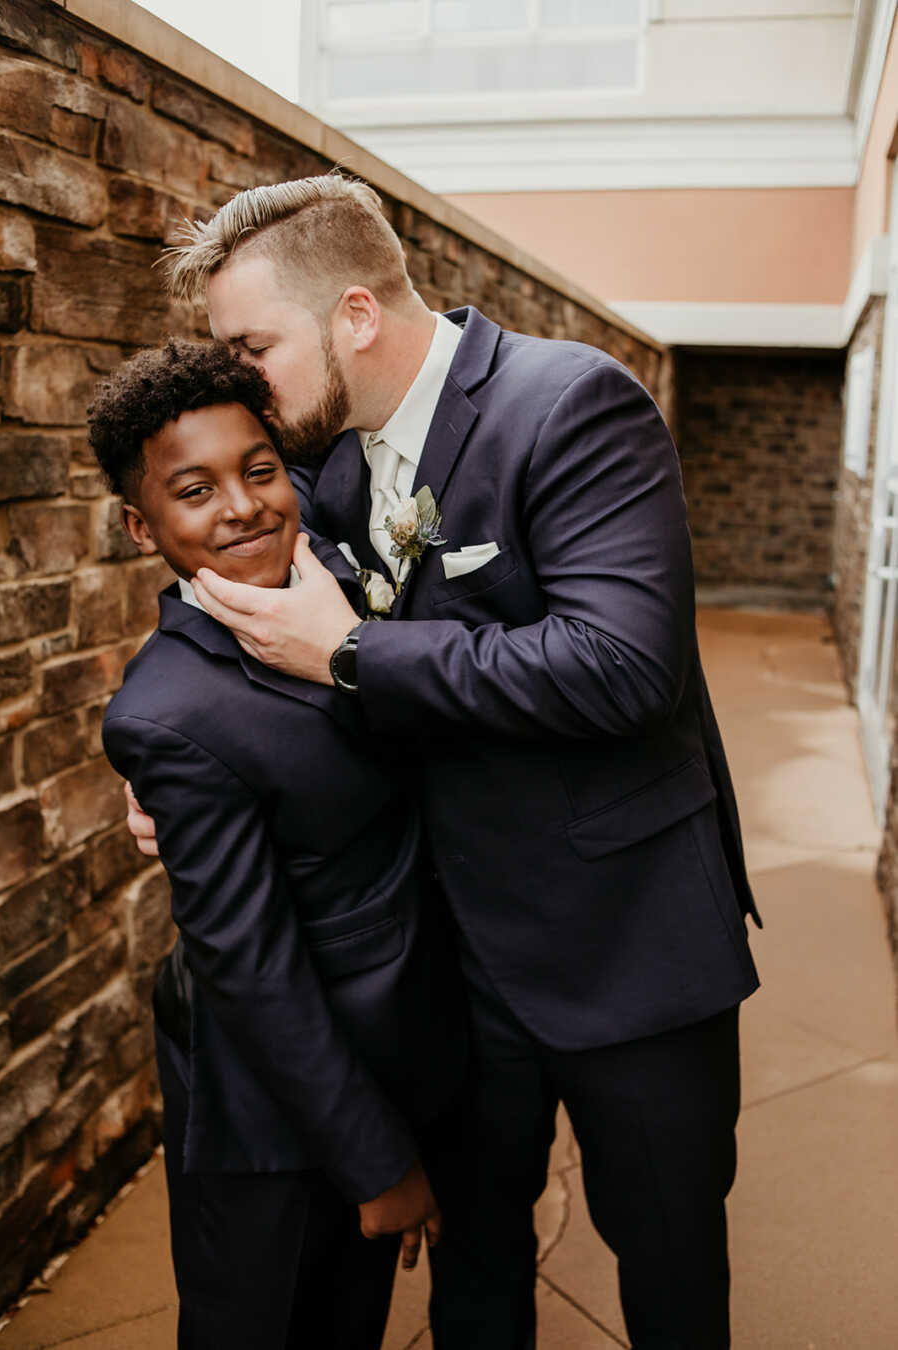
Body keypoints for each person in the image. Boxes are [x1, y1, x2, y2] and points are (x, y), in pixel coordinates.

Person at [130, 175, 761, 1349]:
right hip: (452, 965)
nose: (235, 378)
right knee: (476, 1261)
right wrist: (183, 766)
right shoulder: (325, 464)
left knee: (669, 1260)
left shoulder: (572, 404)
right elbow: (242, 612)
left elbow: (623, 666)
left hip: (625, 944)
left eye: (251, 345)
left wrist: (360, 652)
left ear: (354, 316)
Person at [89, 337, 466, 1350]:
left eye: (258, 471)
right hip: (282, 1114)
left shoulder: (329, 571)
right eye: (194, 491)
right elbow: (251, 967)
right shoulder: (168, 715)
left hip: (391, 1051)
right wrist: (377, 1163)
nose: (244, 506)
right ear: (142, 524)